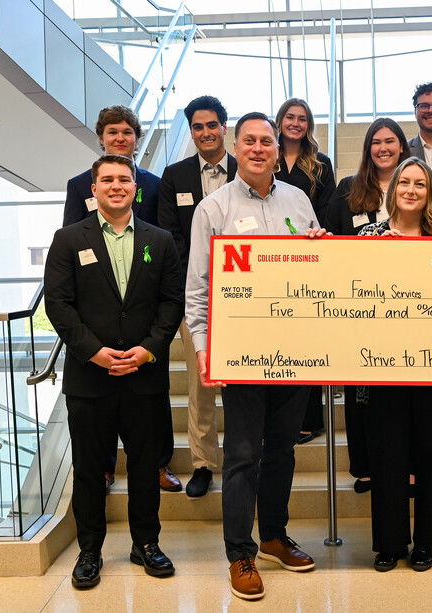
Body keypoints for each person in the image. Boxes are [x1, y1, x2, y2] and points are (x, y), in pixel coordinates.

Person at [186, 112, 321, 601]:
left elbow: (317, 271)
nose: (260, 148)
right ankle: (239, 553)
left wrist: (320, 250)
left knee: (282, 449)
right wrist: (204, 351)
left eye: (267, 140)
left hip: (297, 349)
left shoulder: (299, 200)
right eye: (250, 141)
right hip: (242, 353)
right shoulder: (213, 209)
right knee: (243, 454)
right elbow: (198, 291)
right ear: (234, 147)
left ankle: (273, 538)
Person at [44, 154, 184, 590]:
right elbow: (58, 306)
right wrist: (94, 352)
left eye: (125, 179)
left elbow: (171, 304)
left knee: (145, 465)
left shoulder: (160, 241)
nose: (117, 186)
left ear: (136, 188)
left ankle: (146, 543)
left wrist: (147, 350)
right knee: (89, 469)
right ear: (94, 188)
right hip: (90, 379)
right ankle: (90, 551)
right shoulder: (68, 240)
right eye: (108, 180)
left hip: (143, 375)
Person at [62, 104, 180, 495]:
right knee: (98, 421)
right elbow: (72, 238)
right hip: (99, 310)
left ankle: (159, 464)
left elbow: (162, 238)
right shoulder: (80, 185)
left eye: (127, 132)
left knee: (151, 406)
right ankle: (107, 468)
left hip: (143, 304)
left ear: (136, 138)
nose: (120, 138)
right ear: (101, 137)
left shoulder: (153, 182)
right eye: (113, 132)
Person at [357, 157, 432, 573]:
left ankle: (426, 541)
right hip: (382, 367)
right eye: (405, 182)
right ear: (393, 189)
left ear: (430, 192)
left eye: (420, 184)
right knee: (387, 455)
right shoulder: (368, 237)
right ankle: (389, 542)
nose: (411, 190)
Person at [321, 117, 411, 494]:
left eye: (390, 141)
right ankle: (367, 466)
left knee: (404, 391)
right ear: (367, 149)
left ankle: (406, 467)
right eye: (376, 142)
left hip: (407, 306)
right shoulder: (347, 189)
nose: (383, 148)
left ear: (403, 147)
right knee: (360, 390)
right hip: (357, 306)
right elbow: (331, 240)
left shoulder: (414, 184)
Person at [155, 95, 237, 499]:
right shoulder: (175, 176)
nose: (205, 133)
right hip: (198, 297)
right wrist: (204, 276)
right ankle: (204, 463)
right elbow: (172, 237)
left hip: (246, 299)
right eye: (197, 127)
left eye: (212, 125)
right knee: (201, 383)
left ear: (225, 127)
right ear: (191, 132)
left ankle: (242, 457)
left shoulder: (247, 169)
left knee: (243, 384)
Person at [274, 97, 337, 445]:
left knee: (308, 342)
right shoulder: (267, 157)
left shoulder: (321, 163)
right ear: (280, 120)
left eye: (302, 118)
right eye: (289, 117)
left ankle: (310, 418)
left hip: (310, 258)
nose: (295, 123)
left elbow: (326, 212)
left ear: (309, 125)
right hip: (273, 261)